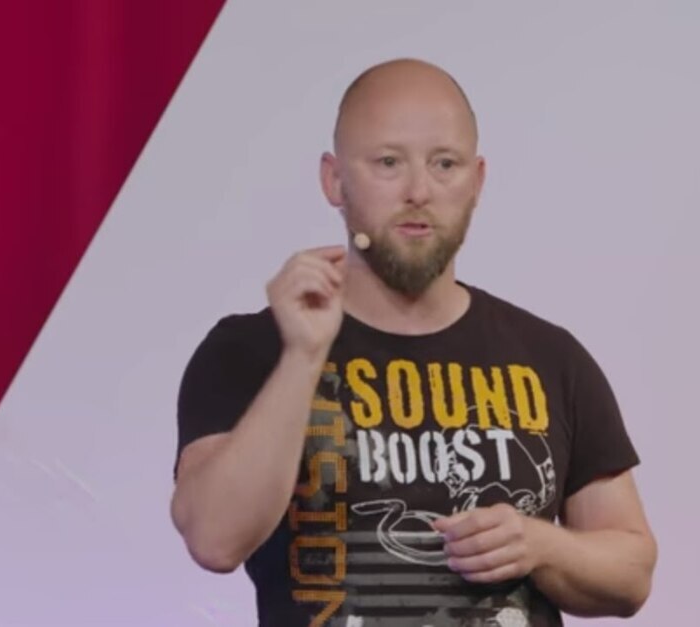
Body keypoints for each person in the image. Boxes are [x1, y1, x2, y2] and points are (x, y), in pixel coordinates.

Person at [170, 57, 658, 627]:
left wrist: (541, 545)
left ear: (476, 181)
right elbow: (214, 540)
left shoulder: (550, 357)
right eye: (388, 162)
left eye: (444, 163)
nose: (418, 190)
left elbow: (631, 573)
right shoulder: (251, 349)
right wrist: (303, 356)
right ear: (334, 180)